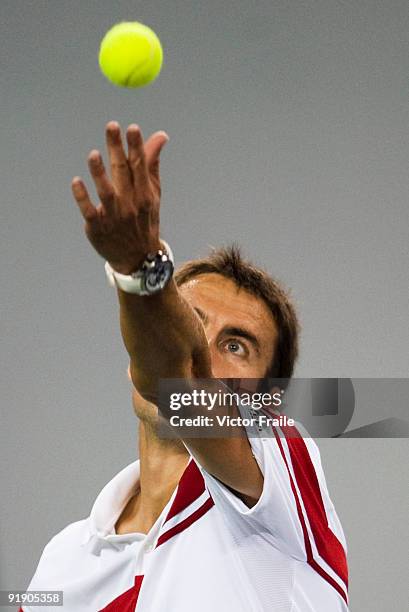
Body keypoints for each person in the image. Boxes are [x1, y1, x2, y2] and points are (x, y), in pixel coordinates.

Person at [21, 121, 348, 611]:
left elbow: (180, 381)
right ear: (137, 353)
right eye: (189, 324)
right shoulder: (60, 564)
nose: (203, 350)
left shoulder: (282, 475)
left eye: (236, 346)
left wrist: (140, 269)